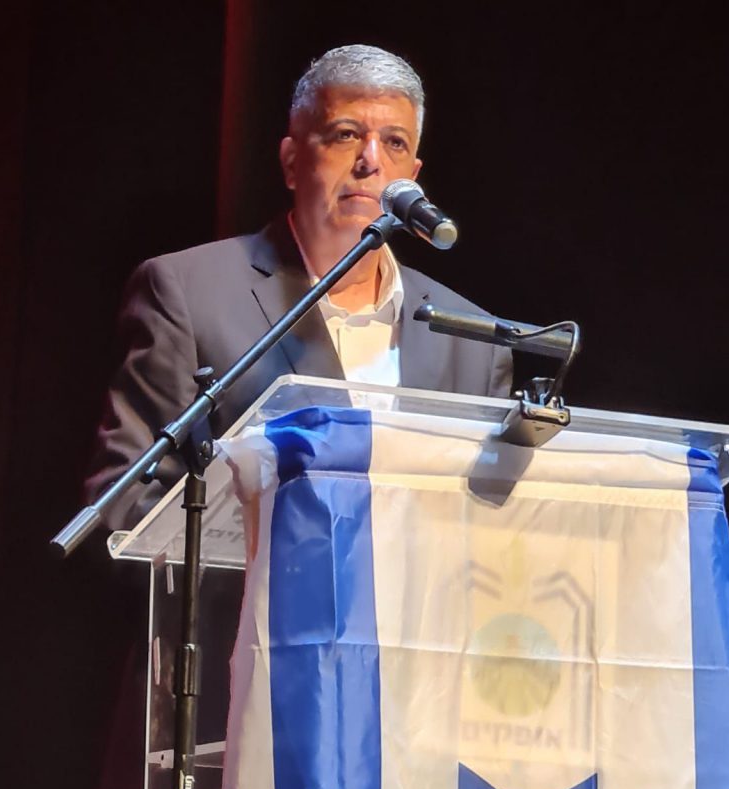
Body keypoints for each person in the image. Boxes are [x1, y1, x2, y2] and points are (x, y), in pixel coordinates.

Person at [85, 44, 512, 528]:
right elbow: (125, 504)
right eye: (346, 135)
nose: (371, 161)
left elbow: (494, 526)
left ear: (413, 177)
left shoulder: (475, 344)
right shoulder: (187, 294)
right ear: (291, 162)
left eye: (394, 142)